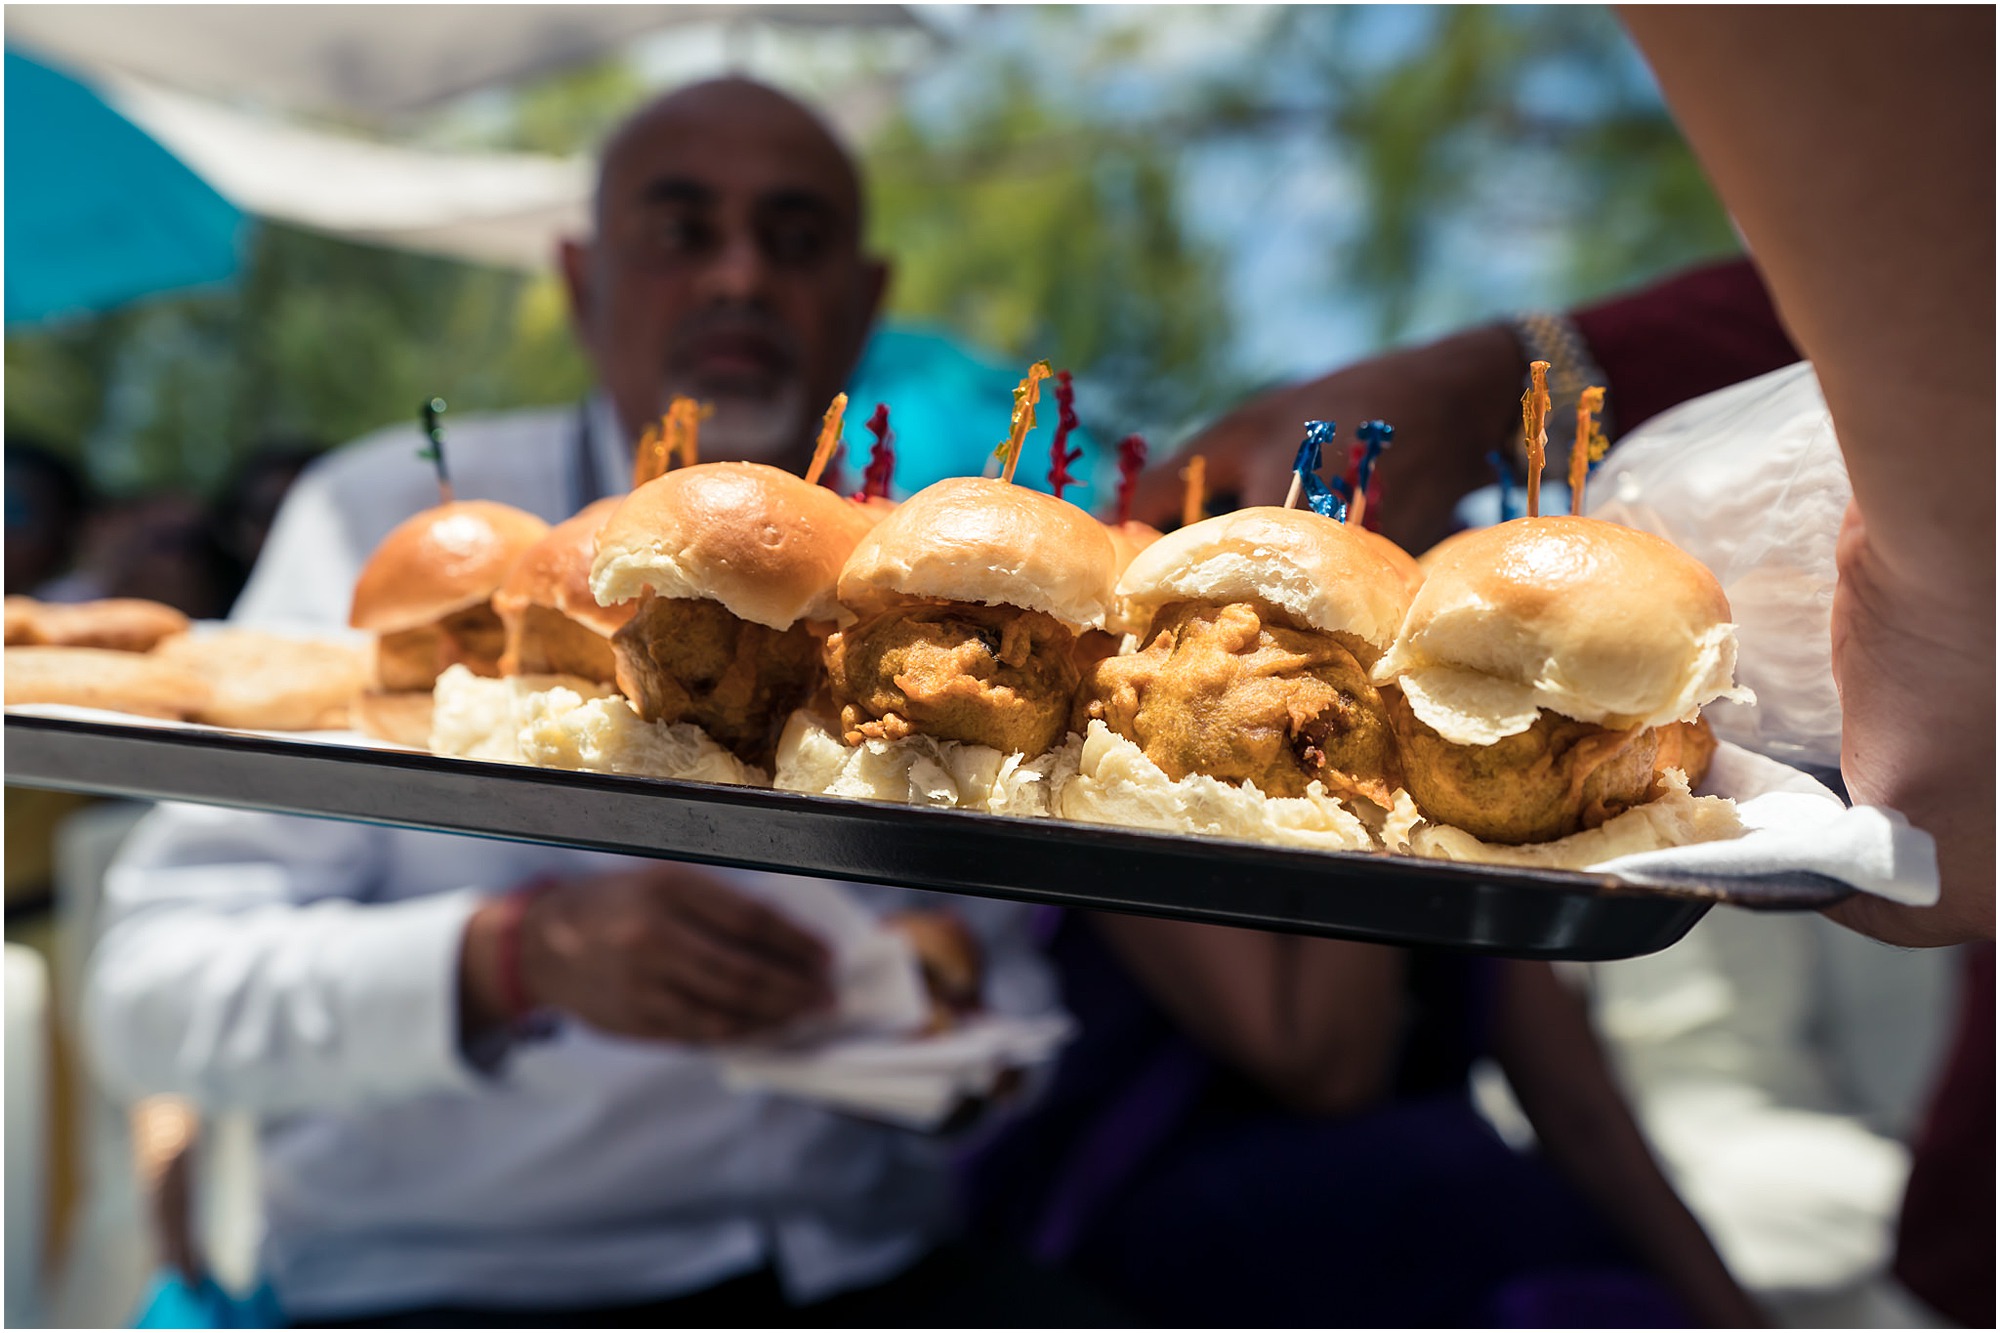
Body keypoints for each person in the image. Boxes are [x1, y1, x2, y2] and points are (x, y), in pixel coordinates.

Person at [83, 79, 1111, 1327]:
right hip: (453, 1286)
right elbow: (150, 994)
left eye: (792, 240)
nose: (738, 277)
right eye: (682, 232)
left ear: (863, 301)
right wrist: (509, 961)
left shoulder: (936, 577)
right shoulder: (390, 534)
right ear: (581, 281)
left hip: (857, 1266)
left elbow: (998, 975)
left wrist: (931, 1010)